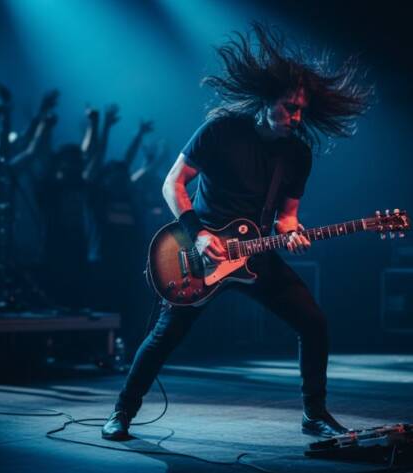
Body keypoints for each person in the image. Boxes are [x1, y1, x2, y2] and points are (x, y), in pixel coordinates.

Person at [102, 22, 373, 440]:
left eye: (301, 110)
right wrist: (198, 234)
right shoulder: (222, 130)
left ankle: (313, 414)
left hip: (254, 253)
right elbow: (172, 183)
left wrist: (293, 232)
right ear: (267, 101)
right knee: (163, 338)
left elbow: (287, 216)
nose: (296, 118)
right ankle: (122, 412)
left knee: (313, 322)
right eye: (289, 107)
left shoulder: (297, 153)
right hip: (201, 251)